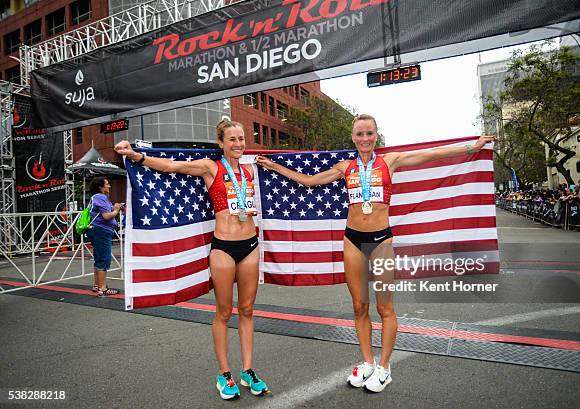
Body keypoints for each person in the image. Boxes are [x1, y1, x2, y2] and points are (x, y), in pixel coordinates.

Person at [256, 114, 494, 393]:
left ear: (376, 135)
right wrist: (273, 166)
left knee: (385, 308)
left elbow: (430, 155)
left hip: (381, 240)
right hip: (352, 239)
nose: (365, 138)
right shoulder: (346, 167)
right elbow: (309, 181)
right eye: (360, 134)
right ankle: (367, 362)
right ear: (353, 137)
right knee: (360, 306)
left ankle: (384, 367)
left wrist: (472, 148)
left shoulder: (390, 161)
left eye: (369, 133)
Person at [114, 119, 268, 400]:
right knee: (224, 312)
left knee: (246, 309)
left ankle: (248, 370)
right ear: (221, 143)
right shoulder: (212, 167)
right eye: (232, 139)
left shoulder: (248, 171)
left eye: (242, 138)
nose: (238, 144)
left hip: (251, 246)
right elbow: (173, 166)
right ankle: (225, 375)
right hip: (223, 248)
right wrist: (137, 156)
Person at [88, 177, 122, 296]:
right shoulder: (100, 197)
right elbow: (107, 216)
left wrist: (113, 208)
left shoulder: (96, 198)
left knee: (98, 258)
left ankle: (97, 285)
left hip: (97, 230)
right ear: (100, 187)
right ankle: (103, 289)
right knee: (103, 259)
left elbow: (102, 213)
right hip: (101, 231)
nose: (109, 186)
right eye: (107, 184)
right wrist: (116, 210)